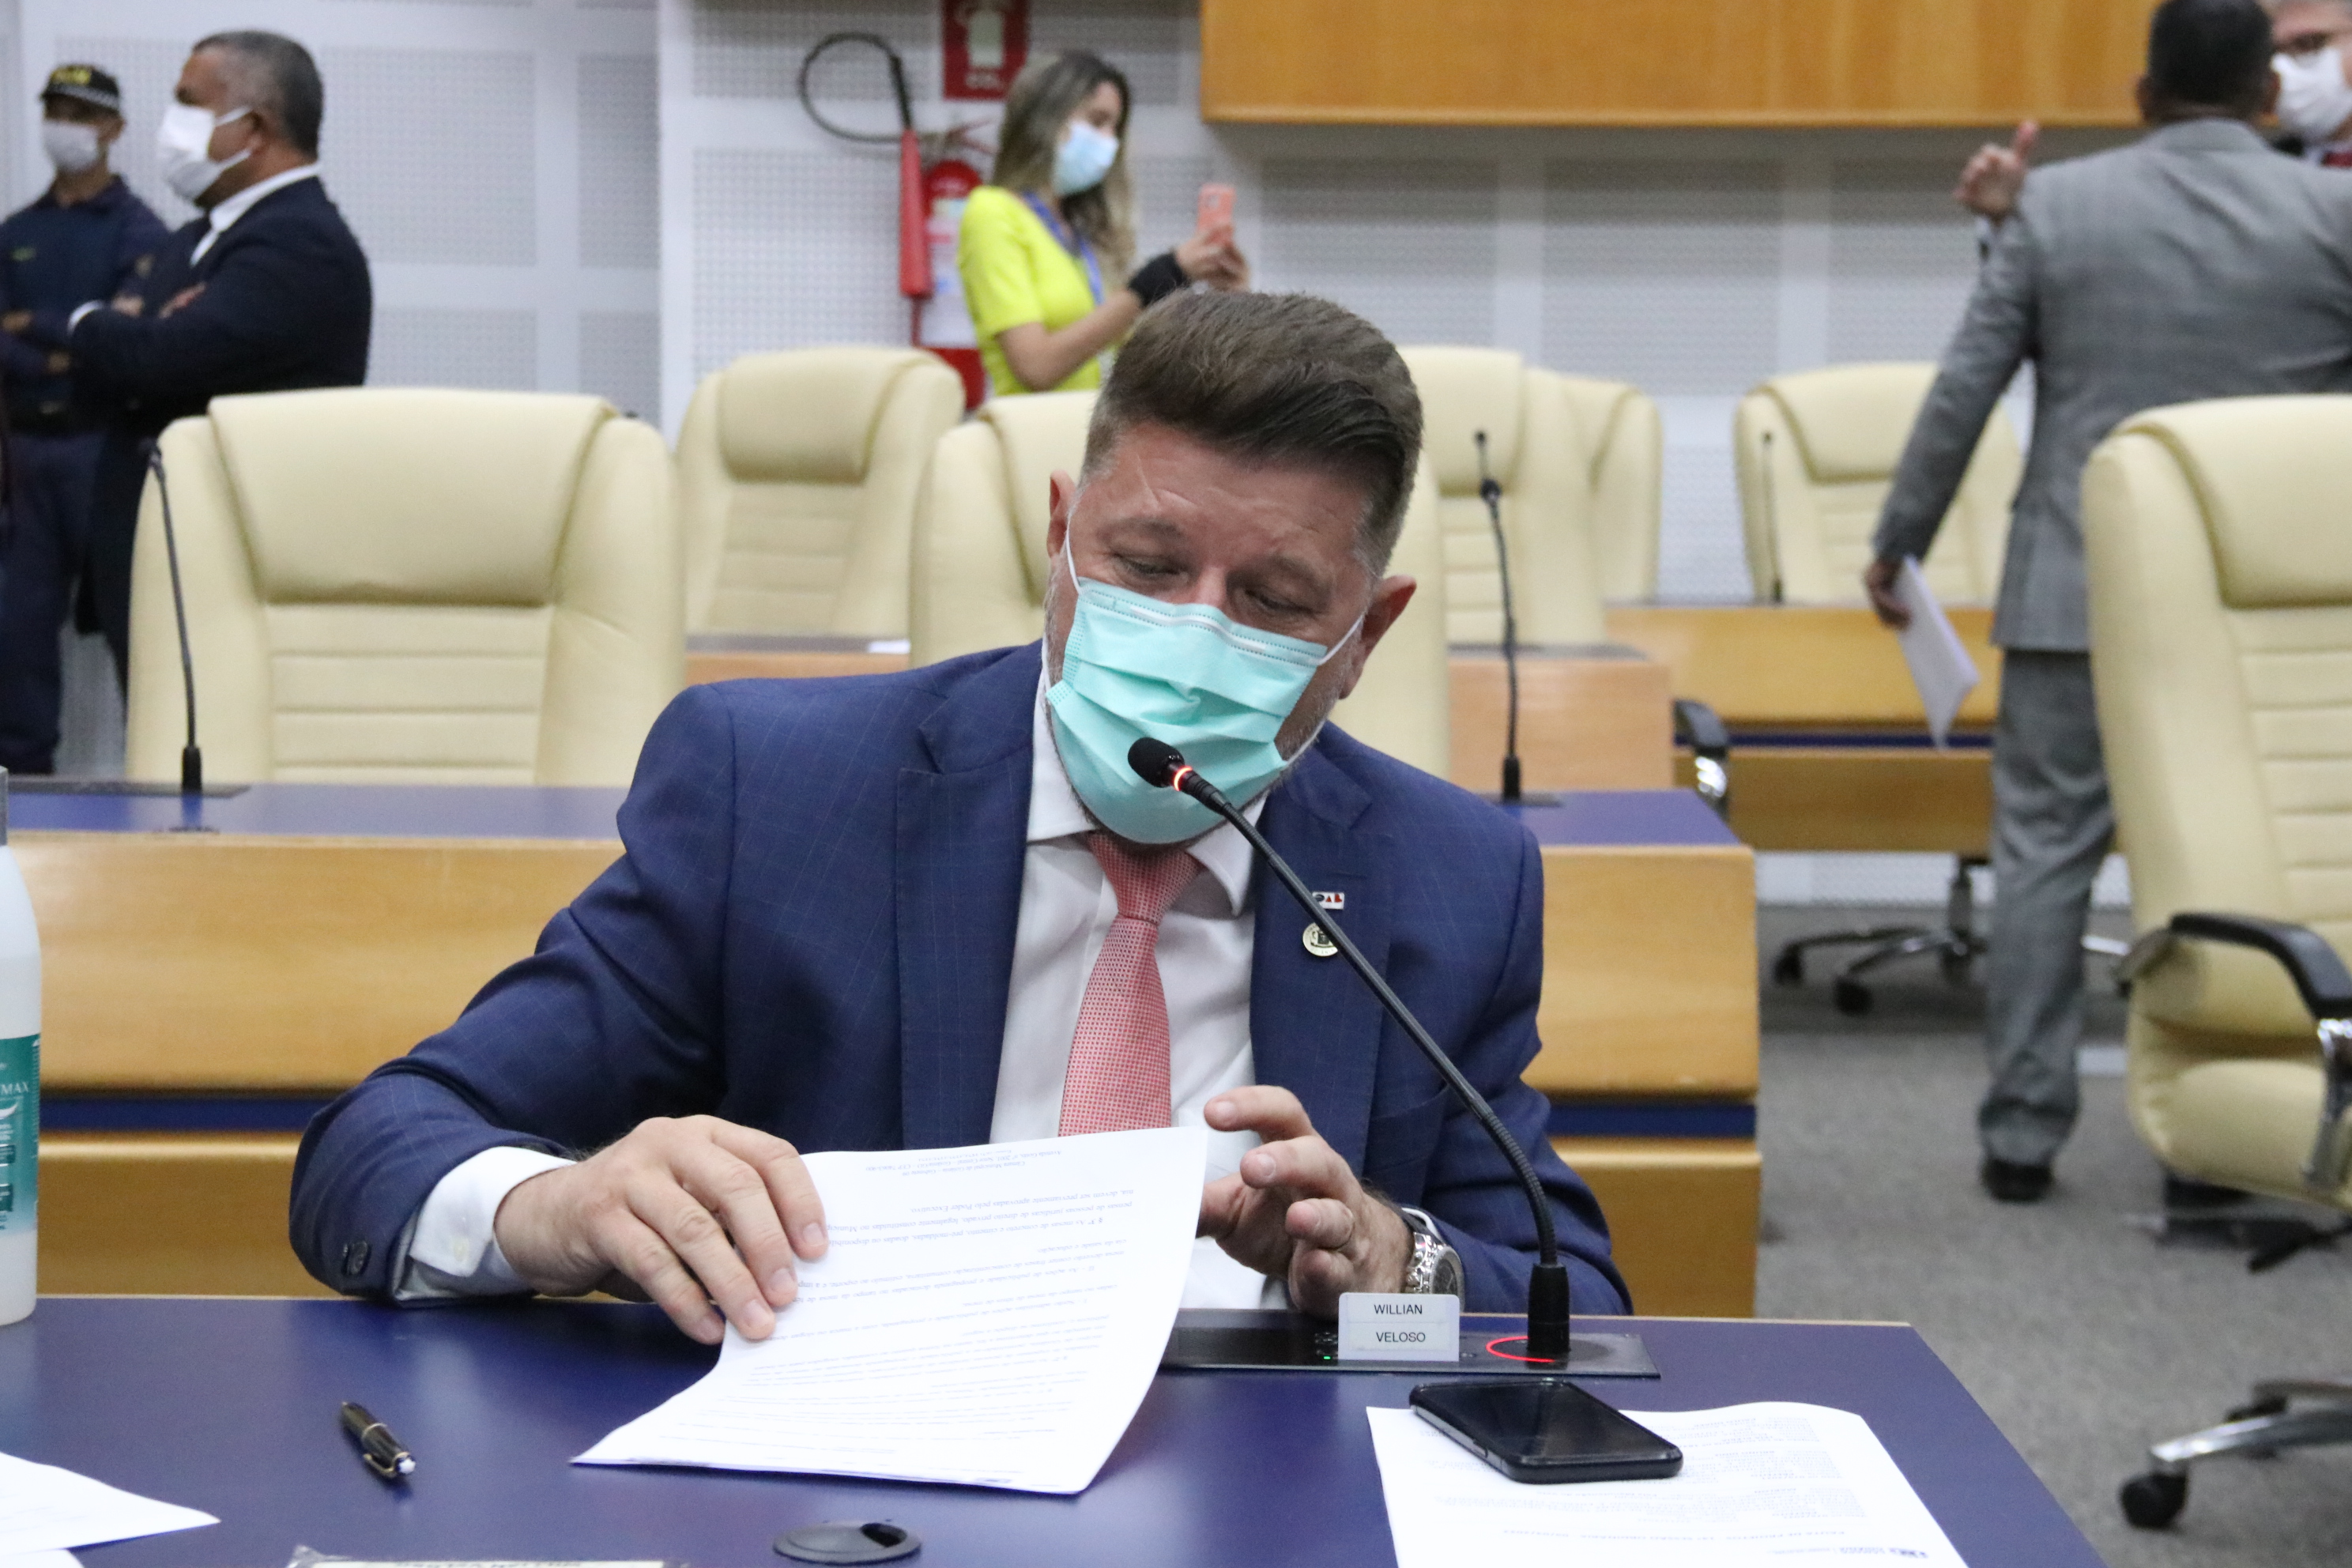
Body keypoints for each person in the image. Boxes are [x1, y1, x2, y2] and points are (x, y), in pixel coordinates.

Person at [289, 291, 1626, 1344]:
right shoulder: (778, 792)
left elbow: (1568, 1300)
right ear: (1059, 534)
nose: (1192, 631)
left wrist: (1394, 1261)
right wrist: (556, 1204)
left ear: (1366, 633)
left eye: (1273, 600)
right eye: (1146, 565)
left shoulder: (1449, 876)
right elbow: (379, 1147)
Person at [1863, 0, 2352, 1204]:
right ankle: (2230, 1132)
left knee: (2043, 861)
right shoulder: (2334, 216)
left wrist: (1898, 543)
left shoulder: (2058, 208)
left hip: (2073, 598)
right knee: (2238, 865)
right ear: (2268, 95)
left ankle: (2023, 1137)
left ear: (2141, 94)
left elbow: (1965, 390)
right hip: (2258, 620)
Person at [65, 31, 370, 685]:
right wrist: (135, 341)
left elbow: (156, 360)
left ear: (252, 128)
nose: (170, 125)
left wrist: (88, 320)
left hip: (226, 564)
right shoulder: (195, 239)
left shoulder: (301, 244)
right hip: (155, 551)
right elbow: (112, 379)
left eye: (188, 102)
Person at [0, 66, 168, 774]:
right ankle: (18, 794)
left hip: (104, 452)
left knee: (136, 626)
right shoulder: (17, 232)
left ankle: (155, 783)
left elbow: (129, 336)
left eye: (80, 113)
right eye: (56, 111)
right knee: (17, 635)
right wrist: (69, 344)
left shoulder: (141, 230)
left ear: (113, 129)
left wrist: (28, 327)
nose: (64, 126)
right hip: (25, 455)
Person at [958, 50, 1246, 399]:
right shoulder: (991, 212)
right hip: (1031, 426)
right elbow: (1036, 368)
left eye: (1115, 128)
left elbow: (1131, 354)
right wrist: (1159, 277)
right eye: (1097, 122)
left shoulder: (1079, 230)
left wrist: (1228, 300)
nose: (1109, 141)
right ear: (1045, 120)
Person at [1955, 0, 2352, 224]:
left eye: (2310, 45)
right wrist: (2008, 222)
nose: (2286, 69)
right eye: (2275, 53)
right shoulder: (2246, 172)